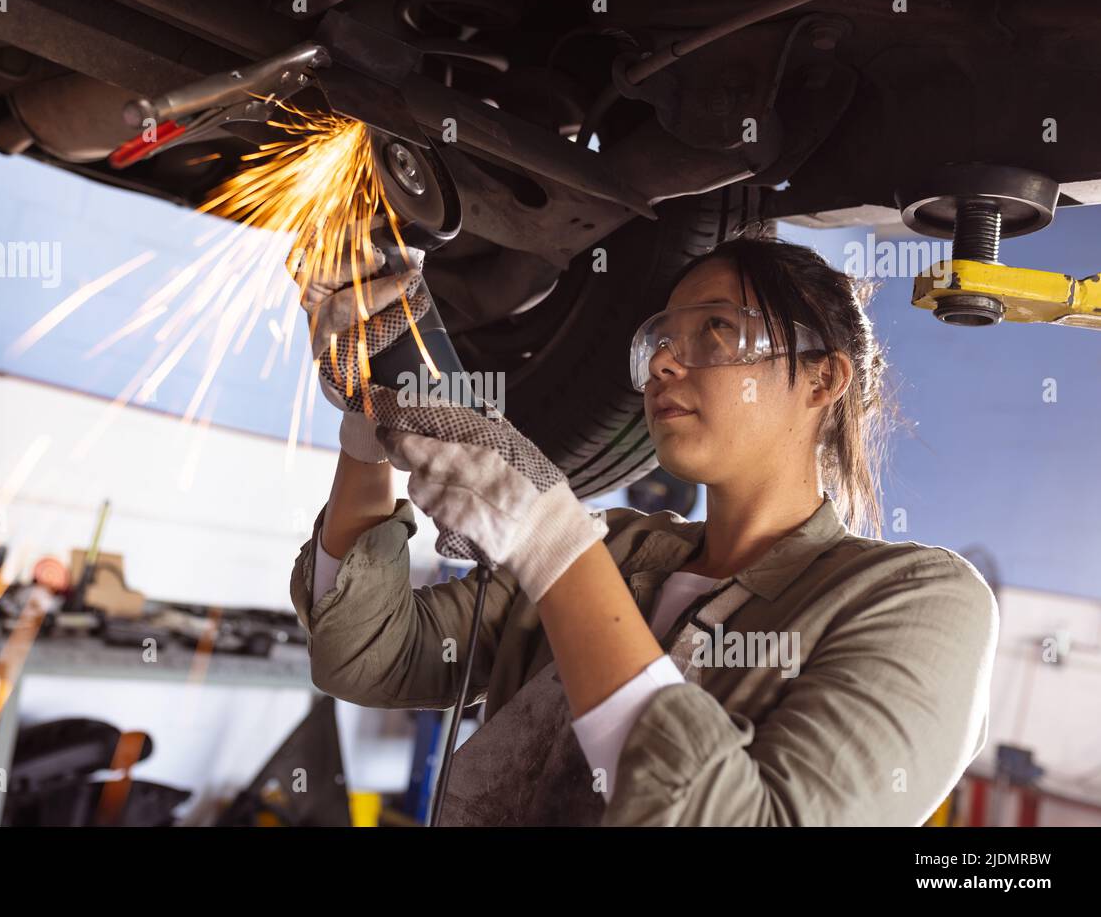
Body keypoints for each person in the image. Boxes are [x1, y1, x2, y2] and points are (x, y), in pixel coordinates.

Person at [288, 236, 998, 826]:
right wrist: (371, 417)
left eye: (716, 331)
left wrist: (551, 544)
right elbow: (364, 653)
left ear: (822, 380)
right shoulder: (618, 549)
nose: (664, 361)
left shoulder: (919, 601)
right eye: (660, 339)